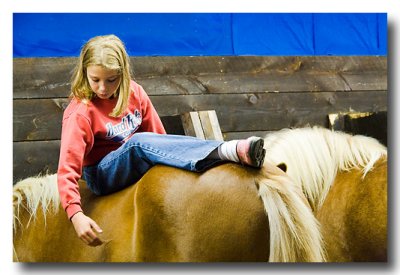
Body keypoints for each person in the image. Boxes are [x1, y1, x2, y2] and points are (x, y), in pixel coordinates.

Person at [57, 34, 266, 247]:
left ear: (123, 74)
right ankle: (227, 151)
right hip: (102, 175)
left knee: (144, 142)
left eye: (111, 79)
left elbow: (159, 139)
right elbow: (67, 170)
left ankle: (226, 158)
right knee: (137, 143)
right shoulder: (81, 112)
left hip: (134, 160)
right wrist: (76, 215)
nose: (103, 88)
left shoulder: (134, 92)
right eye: (95, 80)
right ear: (85, 73)